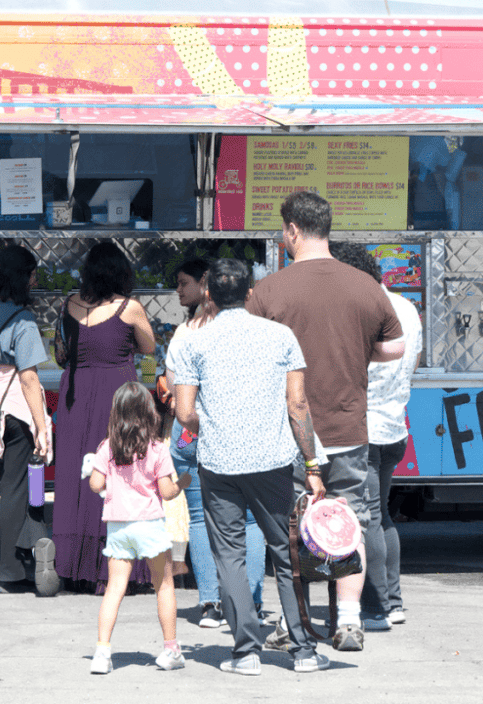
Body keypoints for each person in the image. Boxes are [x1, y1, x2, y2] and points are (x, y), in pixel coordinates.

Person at [247, 191, 403, 654]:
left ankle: (293, 623)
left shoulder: (270, 291)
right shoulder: (364, 286)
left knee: (293, 528)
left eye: (283, 230)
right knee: (348, 522)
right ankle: (350, 622)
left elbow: (255, 361)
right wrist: (359, 351)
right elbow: (394, 347)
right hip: (350, 430)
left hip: (292, 436)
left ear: (292, 230)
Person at [175, 259, 327, 677]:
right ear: (250, 292)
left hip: (219, 463)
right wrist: (311, 464)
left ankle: (245, 652)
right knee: (287, 553)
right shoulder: (280, 336)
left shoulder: (192, 342)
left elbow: (185, 412)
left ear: (208, 295)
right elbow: (297, 405)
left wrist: (216, 426)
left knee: (230, 555)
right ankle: (303, 650)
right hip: (273, 462)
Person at [161, 259, 269, 629]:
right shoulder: (263, 334)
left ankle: (210, 604)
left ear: (206, 294)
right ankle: (250, 601)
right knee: (251, 520)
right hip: (243, 431)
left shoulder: (186, 335)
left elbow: (176, 390)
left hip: (192, 433)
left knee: (200, 518)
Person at [329, 241, 422, 629]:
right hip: (395, 427)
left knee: (363, 521)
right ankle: (394, 602)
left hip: (363, 430)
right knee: (381, 514)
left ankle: (376, 608)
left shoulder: (360, 311)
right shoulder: (407, 308)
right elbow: (412, 361)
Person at [53, 241, 156, 590]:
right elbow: (149, 347)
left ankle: (72, 565)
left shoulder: (70, 305)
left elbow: (62, 352)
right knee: (121, 476)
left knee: (76, 477)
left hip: (76, 395)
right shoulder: (130, 308)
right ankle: (115, 567)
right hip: (117, 398)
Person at [0, 245, 59, 597]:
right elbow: (29, 378)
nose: (36, 281)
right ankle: (9, 572)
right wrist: (42, 427)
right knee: (17, 494)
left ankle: (16, 564)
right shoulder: (22, 319)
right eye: (33, 274)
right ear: (22, 278)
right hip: (18, 413)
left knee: (12, 490)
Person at [87, 382, 191, 674]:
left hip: (119, 526)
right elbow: (167, 492)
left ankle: (102, 652)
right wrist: (183, 482)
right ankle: (171, 649)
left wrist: (114, 485)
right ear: (149, 413)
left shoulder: (107, 446)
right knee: (164, 585)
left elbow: (95, 483)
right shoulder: (157, 449)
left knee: (114, 588)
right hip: (150, 525)